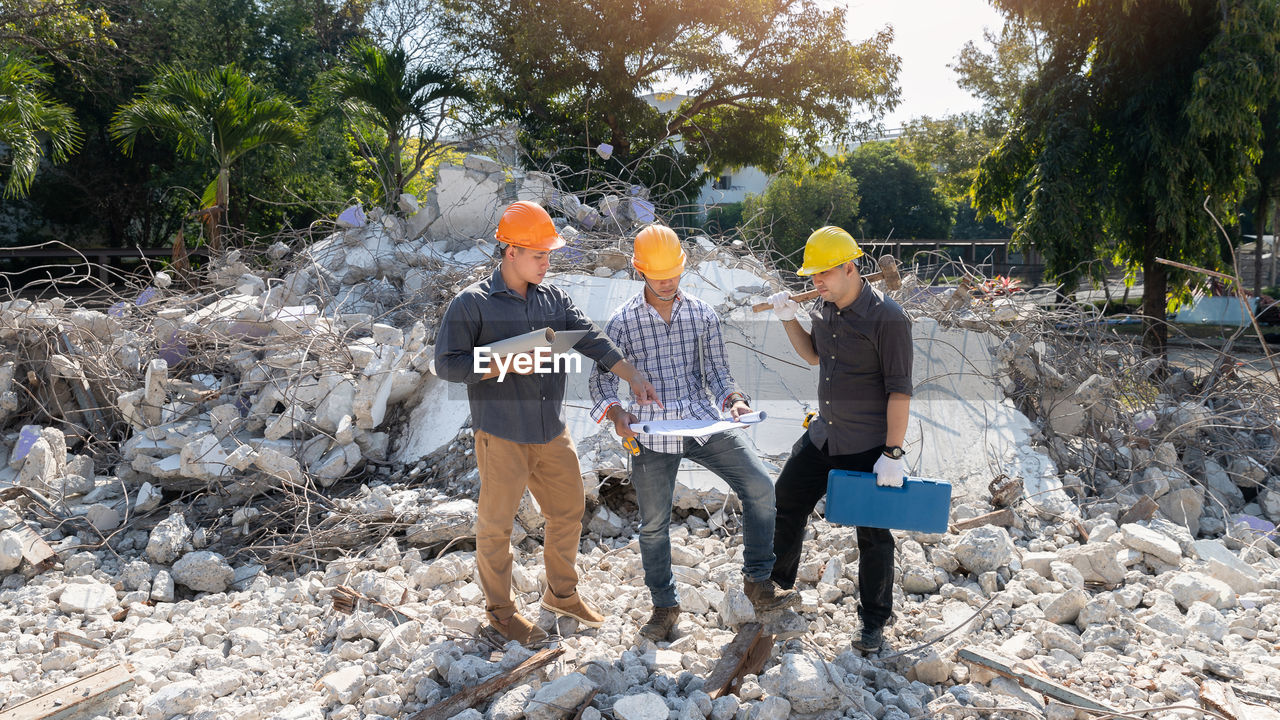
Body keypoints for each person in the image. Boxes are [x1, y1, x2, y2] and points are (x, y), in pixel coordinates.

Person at [435, 200, 660, 645]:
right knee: (497, 527)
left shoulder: (553, 299)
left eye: (549, 254)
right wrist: (502, 362)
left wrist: (631, 375)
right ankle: (500, 612)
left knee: (568, 511)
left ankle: (562, 594)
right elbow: (446, 364)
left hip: (552, 432)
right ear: (511, 252)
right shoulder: (471, 305)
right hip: (501, 434)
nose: (546, 263)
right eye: (539, 255)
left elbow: (590, 338)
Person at [589, 223, 798, 642]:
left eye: (674, 274)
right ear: (639, 270)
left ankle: (758, 581)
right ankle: (664, 608)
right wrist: (616, 415)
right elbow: (601, 382)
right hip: (651, 434)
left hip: (703, 422)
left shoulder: (702, 314)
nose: (667, 283)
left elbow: (717, 372)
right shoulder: (623, 321)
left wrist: (734, 401)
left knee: (760, 486)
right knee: (652, 525)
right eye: (657, 275)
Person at [766, 225, 913, 653]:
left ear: (850, 268)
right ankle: (775, 591)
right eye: (811, 276)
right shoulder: (827, 306)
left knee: (872, 533)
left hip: (869, 445)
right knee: (786, 502)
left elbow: (899, 390)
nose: (816, 284)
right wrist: (788, 318)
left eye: (823, 274)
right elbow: (814, 355)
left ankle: (873, 623)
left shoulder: (888, 318)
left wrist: (893, 453)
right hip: (825, 434)